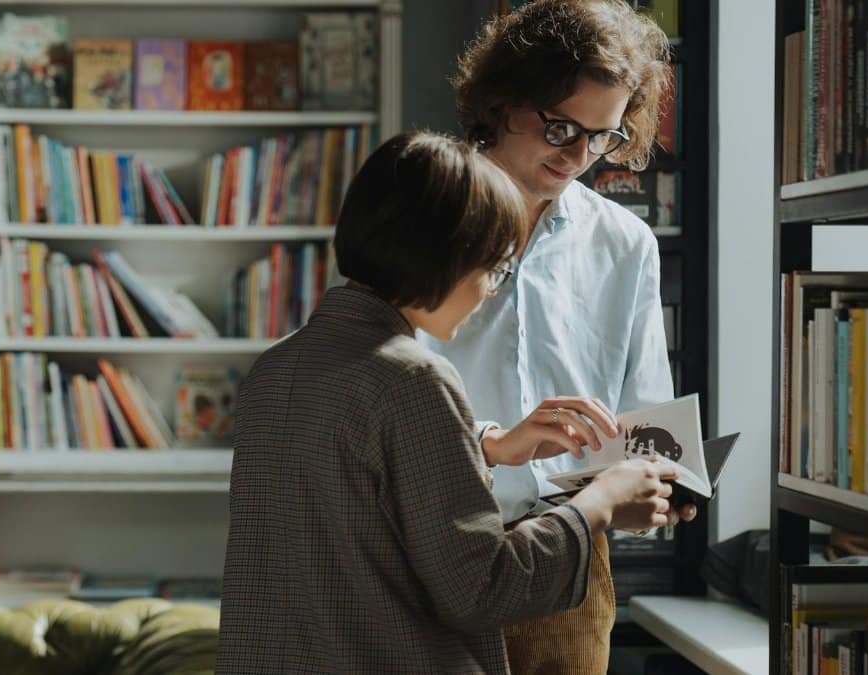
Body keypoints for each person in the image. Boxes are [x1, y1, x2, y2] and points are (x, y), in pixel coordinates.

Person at [217, 130, 683, 673]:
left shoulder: (274, 368)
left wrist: (487, 445)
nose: (490, 289)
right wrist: (598, 503)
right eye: (493, 268)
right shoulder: (416, 378)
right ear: (446, 256)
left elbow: (357, 518)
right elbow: (482, 590)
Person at [424, 1, 697, 672]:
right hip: (430, 549)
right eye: (560, 126)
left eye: (601, 136)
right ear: (503, 101)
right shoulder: (420, 208)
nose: (578, 156)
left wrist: (653, 492)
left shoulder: (625, 243)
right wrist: (494, 441)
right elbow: (366, 384)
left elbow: (644, 415)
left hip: (567, 559)